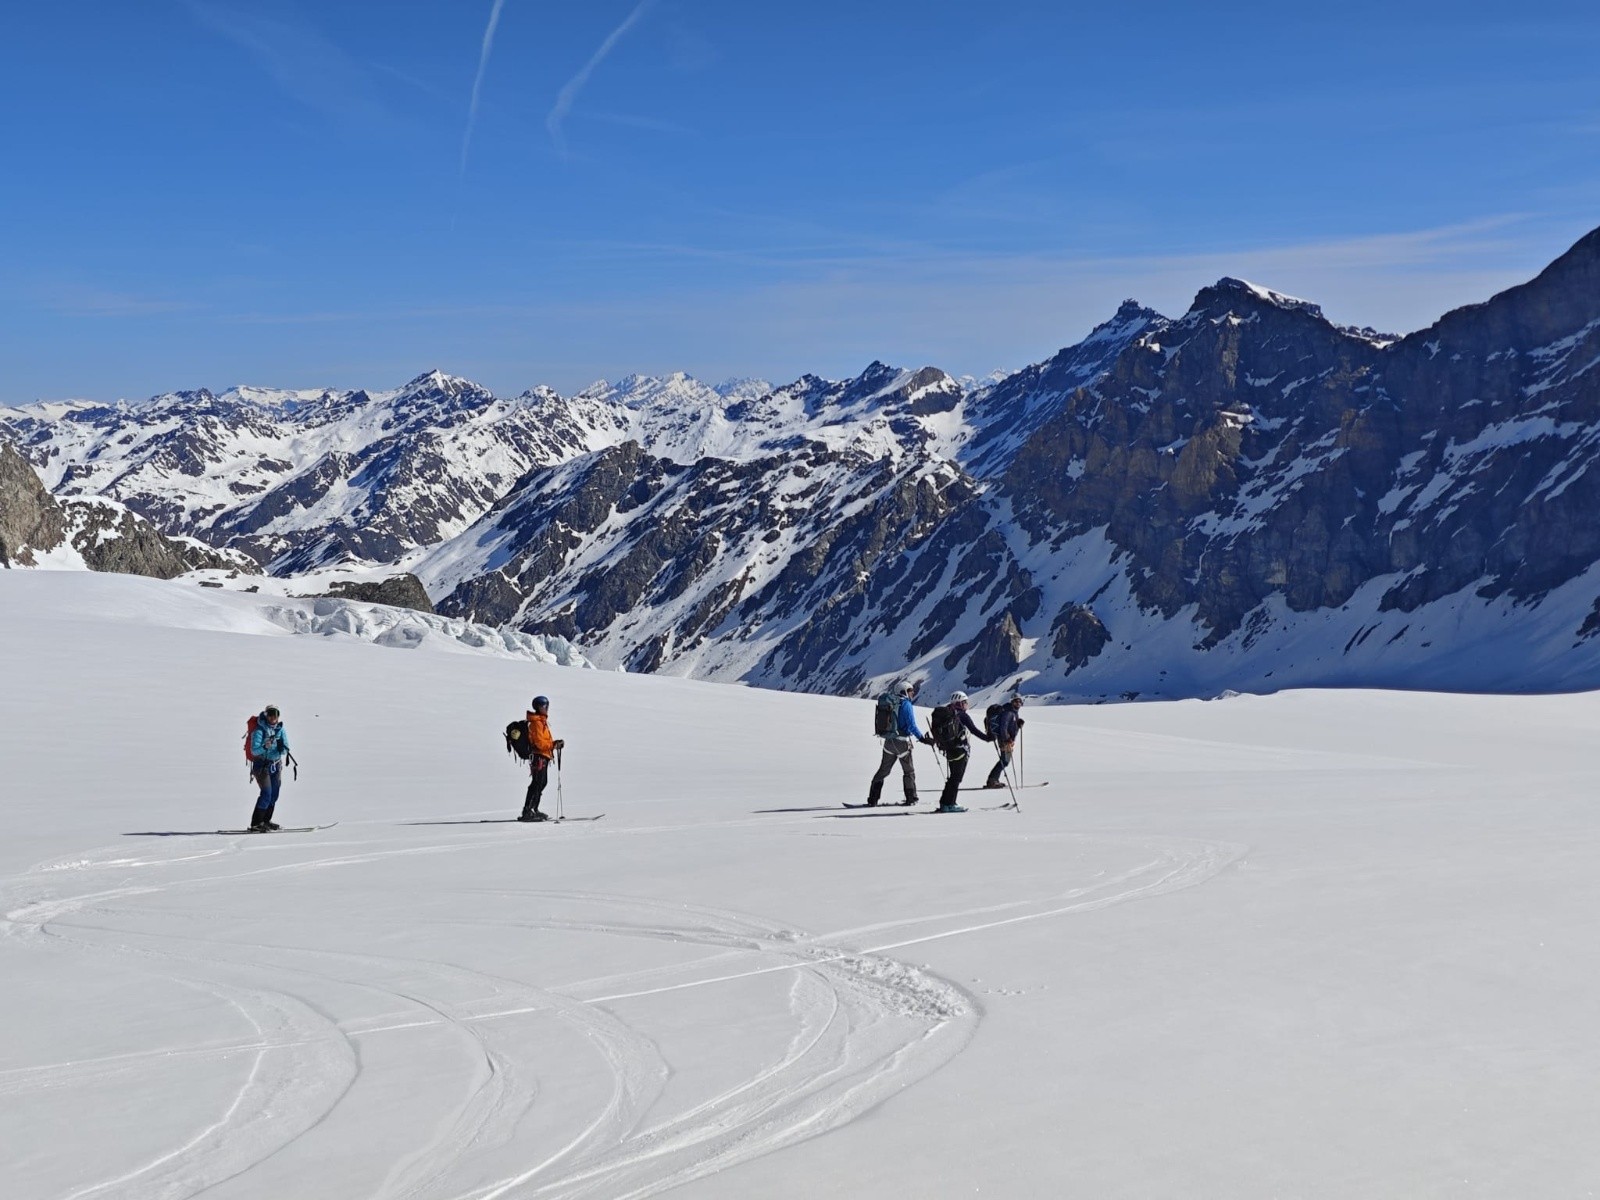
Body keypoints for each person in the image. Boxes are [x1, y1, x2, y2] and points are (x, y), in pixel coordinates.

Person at [866, 679, 934, 806]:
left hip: (888, 742)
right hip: (902, 743)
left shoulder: (891, 704)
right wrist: (923, 739)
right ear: (904, 691)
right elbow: (911, 725)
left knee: (883, 771)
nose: (913, 693)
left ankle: (872, 799)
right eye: (910, 691)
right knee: (909, 771)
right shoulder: (906, 705)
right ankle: (911, 798)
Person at [931, 691, 993, 812]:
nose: (966, 704)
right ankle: (950, 804)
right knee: (956, 778)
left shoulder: (947, 713)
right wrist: (988, 738)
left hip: (949, 749)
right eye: (965, 702)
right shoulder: (962, 716)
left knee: (953, 777)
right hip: (960, 750)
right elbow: (973, 730)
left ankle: (945, 803)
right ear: (959, 703)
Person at [519, 695, 566, 822]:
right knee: (537, 783)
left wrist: (554, 743)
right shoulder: (537, 723)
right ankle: (527, 811)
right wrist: (553, 745)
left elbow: (544, 741)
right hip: (539, 757)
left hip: (543, 756)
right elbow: (539, 743)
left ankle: (533, 809)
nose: (547, 708)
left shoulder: (541, 721)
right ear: (538, 707)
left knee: (541, 782)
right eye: (545, 706)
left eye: (547, 705)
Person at [248, 705, 290, 831]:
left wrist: (283, 747)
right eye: (271, 714)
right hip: (262, 765)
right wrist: (265, 747)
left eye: (276, 714)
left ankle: (266, 821)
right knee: (266, 793)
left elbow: (286, 747)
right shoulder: (259, 730)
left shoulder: (280, 729)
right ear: (266, 715)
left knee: (274, 794)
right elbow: (254, 751)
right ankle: (256, 823)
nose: (273, 717)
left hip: (276, 765)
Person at [984, 695, 1026, 788]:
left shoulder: (1013, 712)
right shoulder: (1009, 713)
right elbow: (1003, 727)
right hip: (1005, 740)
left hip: (1007, 739)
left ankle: (994, 779)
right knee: (1005, 761)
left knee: (1004, 760)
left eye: (1020, 702)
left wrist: (1018, 724)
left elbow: (1012, 726)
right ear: (1012, 702)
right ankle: (992, 780)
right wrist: (1007, 739)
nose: (1018, 703)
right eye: (1016, 701)